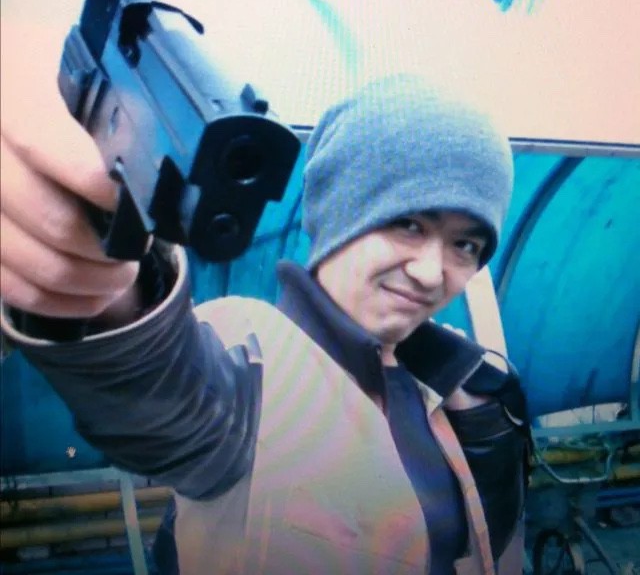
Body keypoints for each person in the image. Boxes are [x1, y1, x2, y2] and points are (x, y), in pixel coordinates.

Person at [1, 70, 530, 574]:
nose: (431, 272)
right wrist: (101, 257)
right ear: (340, 214)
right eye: (408, 224)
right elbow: (158, 390)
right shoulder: (248, 356)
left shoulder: (464, 384)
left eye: (466, 245)